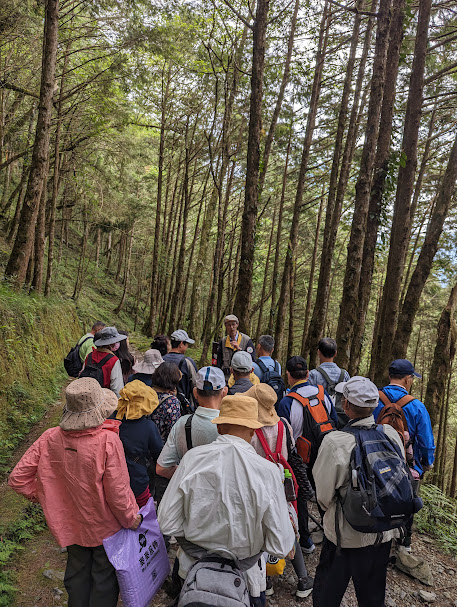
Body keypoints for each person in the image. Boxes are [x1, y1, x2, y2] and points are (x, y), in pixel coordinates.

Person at [8, 378, 141, 607]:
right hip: (105, 527)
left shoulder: (49, 437)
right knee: (104, 578)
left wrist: (47, 497)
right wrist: (131, 519)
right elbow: (118, 493)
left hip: (70, 523)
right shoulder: (108, 441)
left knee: (77, 573)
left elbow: (18, 479)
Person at [157, 393, 295, 606]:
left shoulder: (192, 460)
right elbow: (280, 545)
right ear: (253, 431)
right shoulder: (267, 472)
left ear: (219, 427)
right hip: (245, 581)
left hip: (193, 576)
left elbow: (166, 522)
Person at [312, 377, 405, 607]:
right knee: (373, 598)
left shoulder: (336, 442)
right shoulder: (391, 435)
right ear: (375, 407)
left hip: (344, 537)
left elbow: (323, 496)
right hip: (383, 533)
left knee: (327, 596)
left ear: (345, 405)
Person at [247, 383, 314, 599]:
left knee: (259, 527)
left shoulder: (249, 428)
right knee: (288, 525)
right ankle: (303, 579)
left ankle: (265, 580)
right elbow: (290, 450)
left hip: (257, 484)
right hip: (281, 482)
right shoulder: (284, 425)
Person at [373, 358, 435, 551]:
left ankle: (373, 532)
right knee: (408, 501)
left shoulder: (374, 397)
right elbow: (426, 441)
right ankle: (403, 543)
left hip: (373, 459)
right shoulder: (417, 407)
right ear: (408, 379)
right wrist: (426, 463)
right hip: (406, 465)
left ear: (390, 376)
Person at [277, 356, 336, 554]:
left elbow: (284, 433)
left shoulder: (287, 402)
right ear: (308, 374)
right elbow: (333, 421)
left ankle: (305, 540)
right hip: (324, 452)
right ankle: (331, 536)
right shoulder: (323, 394)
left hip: (300, 457)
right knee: (324, 494)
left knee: (300, 495)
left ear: (288, 375)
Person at [156, 366, 228, 479]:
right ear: (224, 392)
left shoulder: (182, 423)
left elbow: (162, 468)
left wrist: (190, 475)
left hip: (191, 493)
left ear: (195, 393)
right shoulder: (231, 426)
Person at [115, 380, 163, 507]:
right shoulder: (148, 427)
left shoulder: (112, 421)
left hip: (113, 479)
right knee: (142, 515)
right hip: (138, 480)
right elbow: (158, 454)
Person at [80, 326, 126, 397]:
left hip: (88, 396)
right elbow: (116, 388)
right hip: (105, 398)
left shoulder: (89, 355)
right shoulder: (113, 360)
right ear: (112, 343)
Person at [163, 329, 198, 407]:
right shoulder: (187, 362)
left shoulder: (162, 359)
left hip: (163, 403)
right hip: (182, 405)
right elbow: (195, 384)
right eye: (186, 344)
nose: (187, 346)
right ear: (181, 344)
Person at [149, 361, 182, 442]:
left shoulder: (147, 393)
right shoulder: (171, 402)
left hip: (145, 442)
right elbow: (174, 430)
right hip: (162, 445)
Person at [216, 314, 256, 378]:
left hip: (242, 377)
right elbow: (219, 362)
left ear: (237, 325)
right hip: (226, 377)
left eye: (233, 324)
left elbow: (252, 360)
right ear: (226, 326)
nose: (231, 327)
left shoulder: (247, 340)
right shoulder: (223, 341)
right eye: (229, 325)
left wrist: (239, 349)